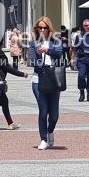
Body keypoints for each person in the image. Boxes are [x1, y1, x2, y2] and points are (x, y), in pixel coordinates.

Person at [28, 17, 63, 150]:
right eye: (40, 27)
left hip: (54, 79)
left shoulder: (55, 41)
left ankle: (50, 130)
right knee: (43, 110)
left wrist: (47, 50)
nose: (42, 30)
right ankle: (43, 139)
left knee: (54, 114)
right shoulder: (34, 43)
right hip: (38, 80)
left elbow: (59, 53)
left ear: (49, 29)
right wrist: (41, 66)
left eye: (45, 28)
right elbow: (31, 60)